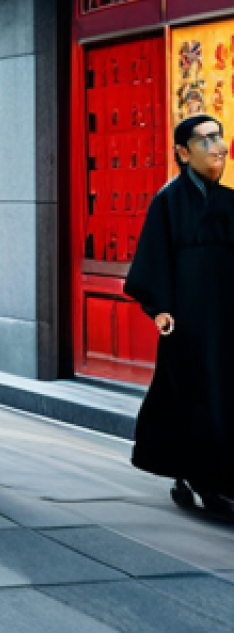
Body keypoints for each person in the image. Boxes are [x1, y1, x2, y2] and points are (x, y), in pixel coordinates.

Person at [124, 114, 234, 519]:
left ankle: (213, 476)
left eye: (219, 138)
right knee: (195, 392)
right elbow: (152, 260)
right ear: (183, 152)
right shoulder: (167, 201)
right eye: (205, 140)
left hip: (227, 316)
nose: (216, 146)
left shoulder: (230, 201)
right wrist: (160, 309)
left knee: (225, 392)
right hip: (187, 317)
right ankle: (207, 481)